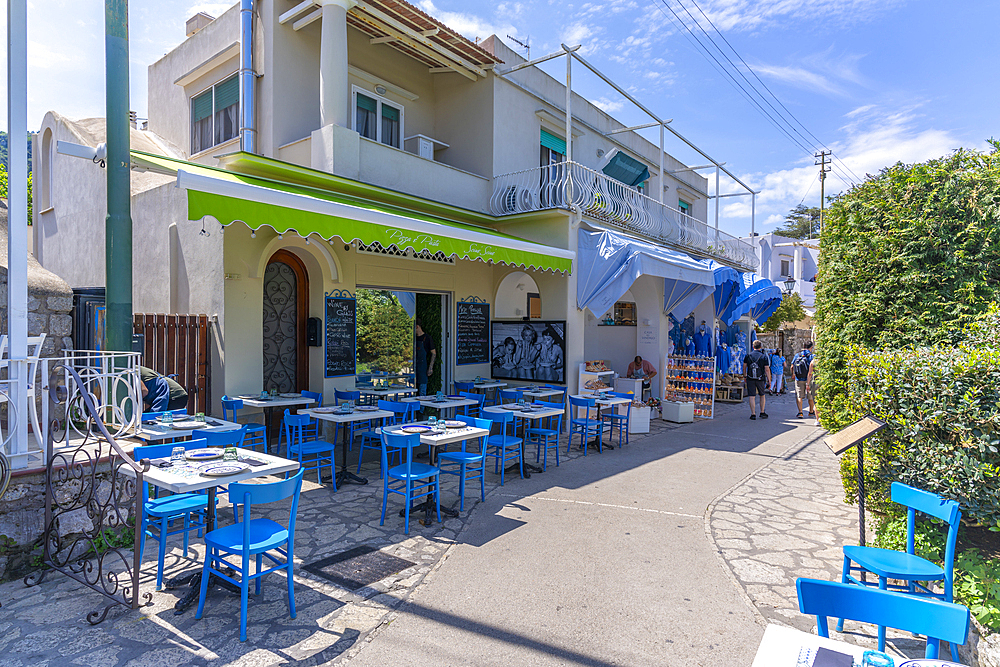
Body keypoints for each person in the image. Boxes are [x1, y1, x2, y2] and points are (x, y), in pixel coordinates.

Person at [743, 340, 771, 420]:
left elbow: (744, 366)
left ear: (753, 346)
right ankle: (762, 412)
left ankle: (753, 414)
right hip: (760, 378)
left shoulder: (748, 356)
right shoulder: (763, 356)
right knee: (762, 395)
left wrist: (745, 376)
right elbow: (767, 369)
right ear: (760, 347)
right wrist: (769, 380)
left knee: (752, 396)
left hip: (750, 378)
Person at [791, 341, 815, 418]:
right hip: (809, 379)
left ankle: (800, 412)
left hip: (799, 378)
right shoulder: (812, 356)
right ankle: (811, 411)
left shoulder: (797, 355)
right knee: (810, 396)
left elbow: (792, 366)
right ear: (811, 347)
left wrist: (793, 374)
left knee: (799, 396)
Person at [414, 319, 437, 396]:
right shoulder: (413, 338)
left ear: (417, 327)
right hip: (414, 368)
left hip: (422, 369)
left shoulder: (427, 338)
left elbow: (433, 353)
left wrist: (430, 367)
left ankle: (421, 408)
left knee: (422, 393)